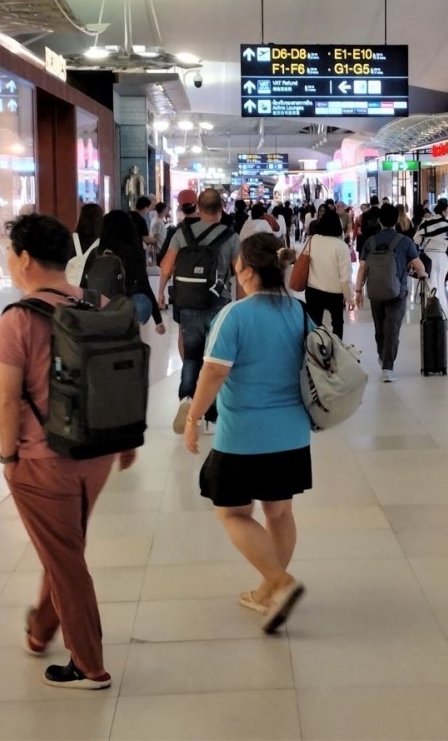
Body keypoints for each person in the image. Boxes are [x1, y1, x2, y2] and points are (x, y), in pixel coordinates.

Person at [0, 213, 134, 689]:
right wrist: (125, 441)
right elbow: (124, 374)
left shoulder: (18, 319)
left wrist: (8, 458)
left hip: (43, 460)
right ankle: (40, 631)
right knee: (64, 544)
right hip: (97, 453)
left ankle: (88, 663)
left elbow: (6, 398)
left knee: (65, 559)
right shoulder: (99, 303)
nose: (10, 262)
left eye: (11, 253)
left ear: (26, 258)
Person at [183, 233, 308, 632]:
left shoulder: (234, 315)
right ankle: (268, 592)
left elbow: (214, 372)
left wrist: (192, 418)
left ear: (248, 271)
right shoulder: (298, 311)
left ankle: (280, 582)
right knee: (280, 512)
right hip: (292, 433)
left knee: (232, 512)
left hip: (243, 434)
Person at [158, 189, 241, 433]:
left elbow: (166, 267)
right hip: (219, 304)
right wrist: (242, 304)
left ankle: (187, 398)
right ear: (221, 208)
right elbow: (241, 273)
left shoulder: (181, 233)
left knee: (192, 356)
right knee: (215, 359)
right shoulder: (230, 236)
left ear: (198, 207)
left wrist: (161, 293)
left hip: (188, 303)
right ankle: (211, 416)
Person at [356, 203, 426, 382]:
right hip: (397, 292)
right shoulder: (405, 241)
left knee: (380, 328)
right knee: (392, 328)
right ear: (396, 220)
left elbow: (362, 268)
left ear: (379, 220)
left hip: (375, 291)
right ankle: (388, 367)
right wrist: (423, 275)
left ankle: (383, 355)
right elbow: (419, 266)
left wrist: (358, 291)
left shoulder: (370, 242)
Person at [85, 208, 164, 335]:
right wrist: (158, 320)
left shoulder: (95, 254)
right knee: (142, 300)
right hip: (123, 311)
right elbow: (145, 287)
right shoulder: (132, 254)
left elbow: (84, 284)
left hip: (98, 307)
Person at [303, 208, 354, 342]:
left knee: (314, 324)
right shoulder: (341, 246)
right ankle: (337, 349)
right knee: (337, 323)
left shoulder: (312, 240)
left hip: (313, 290)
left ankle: (315, 349)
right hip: (335, 293)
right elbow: (345, 277)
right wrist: (349, 297)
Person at [415, 199, 448, 316]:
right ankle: (444, 316)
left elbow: (417, 239)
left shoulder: (426, 223)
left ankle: (431, 315)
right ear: (443, 211)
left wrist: (426, 241)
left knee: (431, 287)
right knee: (441, 286)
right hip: (443, 257)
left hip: (429, 256)